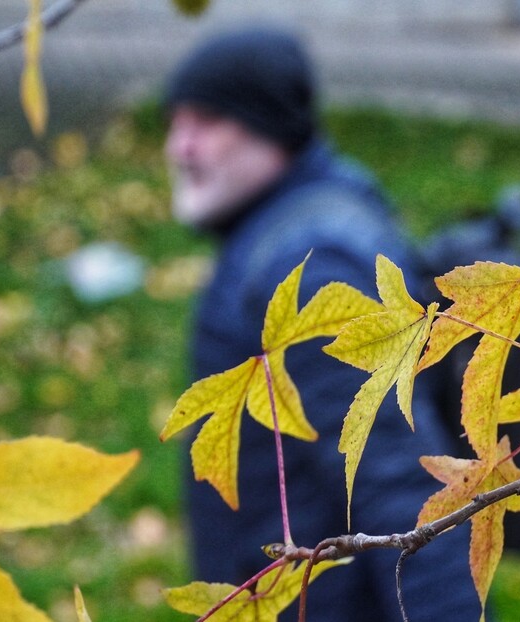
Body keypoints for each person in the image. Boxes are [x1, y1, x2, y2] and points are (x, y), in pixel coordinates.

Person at [163, 26, 482, 621]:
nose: (180, 147)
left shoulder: (311, 265)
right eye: (174, 123)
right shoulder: (277, 230)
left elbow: (399, 480)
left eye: (206, 122)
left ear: (271, 128)